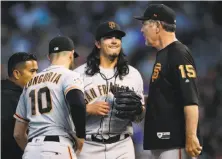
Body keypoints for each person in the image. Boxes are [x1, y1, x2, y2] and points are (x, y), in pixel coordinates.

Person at [134, 4, 203, 159]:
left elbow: (190, 100)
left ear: (157, 26)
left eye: (144, 24)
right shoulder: (163, 55)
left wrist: (191, 136)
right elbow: (168, 98)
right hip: (164, 141)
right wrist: (142, 101)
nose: (141, 29)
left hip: (175, 141)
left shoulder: (178, 53)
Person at [74, 21, 145, 159]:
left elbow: (140, 117)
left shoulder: (133, 74)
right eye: (108, 37)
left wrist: (138, 110)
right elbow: (64, 113)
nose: (114, 41)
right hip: (88, 146)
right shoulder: (78, 75)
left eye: (117, 37)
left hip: (122, 145)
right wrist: (87, 108)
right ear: (98, 44)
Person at [13, 36, 86, 159]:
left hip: (31, 150)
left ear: (48, 57)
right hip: (58, 147)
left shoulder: (30, 83)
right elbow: (78, 103)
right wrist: (81, 136)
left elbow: (18, 134)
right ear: (71, 54)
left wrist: (33, 152)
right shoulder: (70, 75)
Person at [1, 52, 38, 159]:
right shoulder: (20, 99)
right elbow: (19, 135)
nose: (36, 76)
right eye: (32, 71)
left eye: (37, 71)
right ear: (17, 74)